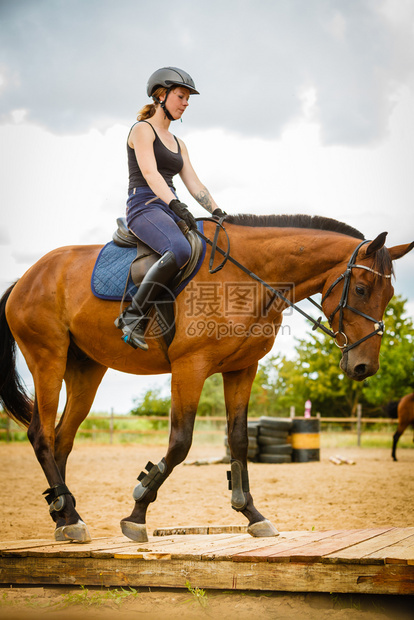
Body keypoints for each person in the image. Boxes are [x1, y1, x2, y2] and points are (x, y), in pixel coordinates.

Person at [115, 67, 224, 350]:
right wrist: (176, 204)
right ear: (161, 96)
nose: (186, 103)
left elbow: (194, 182)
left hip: (169, 207)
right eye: (181, 96)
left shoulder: (179, 143)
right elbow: (150, 174)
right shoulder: (142, 130)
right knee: (180, 249)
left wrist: (217, 211)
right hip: (144, 206)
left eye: (188, 98)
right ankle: (131, 316)